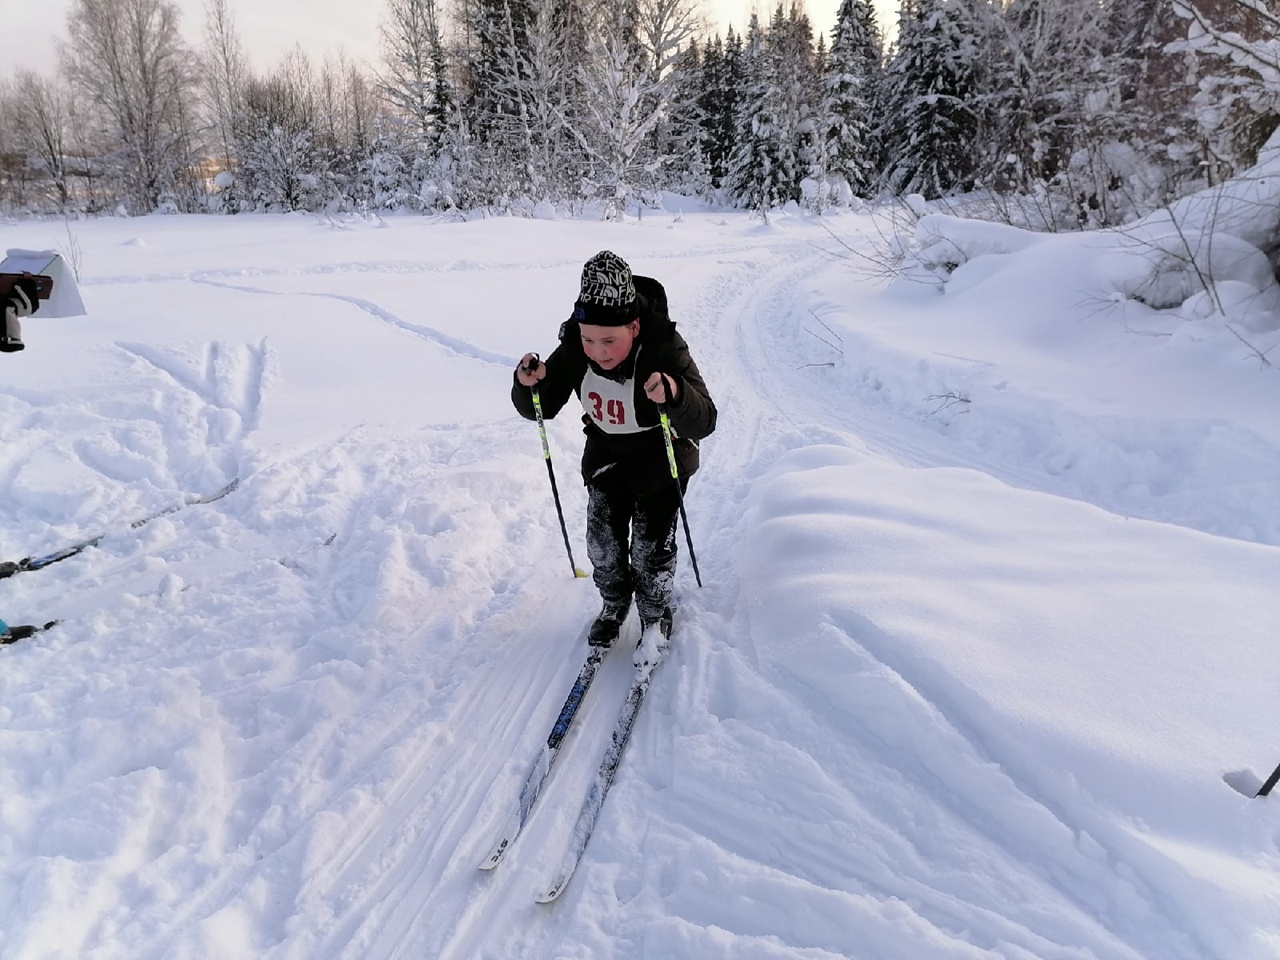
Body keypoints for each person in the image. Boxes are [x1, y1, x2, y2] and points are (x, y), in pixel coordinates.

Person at [512, 251, 717, 647]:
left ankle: (655, 612)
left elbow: (705, 419)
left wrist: (674, 393)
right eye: (589, 339)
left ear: (634, 326)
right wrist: (528, 383)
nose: (598, 351)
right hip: (607, 454)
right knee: (602, 541)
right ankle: (614, 602)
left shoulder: (663, 347)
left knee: (650, 548)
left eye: (609, 340)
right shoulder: (576, 345)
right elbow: (544, 403)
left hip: (661, 457)